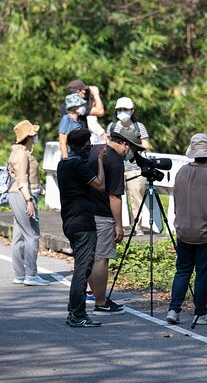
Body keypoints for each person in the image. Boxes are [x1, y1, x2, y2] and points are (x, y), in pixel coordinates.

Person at [85, 126, 146, 313]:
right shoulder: (116, 160)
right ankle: (101, 302)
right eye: (133, 149)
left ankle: (92, 295)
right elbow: (115, 196)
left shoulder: (94, 150)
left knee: (89, 256)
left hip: (85, 210)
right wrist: (119, 224)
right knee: (101, 258)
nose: (132, 153)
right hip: (102, 214)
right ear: (125, 144)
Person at [165, 133, 207, 325]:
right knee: (203, 273)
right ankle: (200, 312)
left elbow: (176, 200)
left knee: (182, 271)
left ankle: (174, 310)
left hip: (183, 229)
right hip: (206, 232)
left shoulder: (181, 172)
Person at [57, 128, 107, 327]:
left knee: (81, 267)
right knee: (82, 269)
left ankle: (74, 312)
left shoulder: (64, 163)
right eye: (89, 144)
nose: (91, 148)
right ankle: (78, 314)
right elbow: (100, 185)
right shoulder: (78, 164)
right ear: (84, 145)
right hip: (83, 222)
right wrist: (101, 162)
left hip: (69, 221)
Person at [7, 120, 49, 286]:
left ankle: (20, 274)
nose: (36, 136)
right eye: (34, 133)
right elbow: (22, 179)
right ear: (29, 136)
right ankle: (31, 275)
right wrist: (29, 200)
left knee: (19, 236)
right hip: (22, 195)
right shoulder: (22, 154)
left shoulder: (21, 151)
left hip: (19, 194)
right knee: (32, 235)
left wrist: (39, 188)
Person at [105, 97, 150, 232]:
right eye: (119, 110)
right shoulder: (112, 127)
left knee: (136, 197)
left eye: (125, 110)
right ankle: (119, 225)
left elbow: (146, 145)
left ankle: (137, 226)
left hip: (135, 168)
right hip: (115, 166)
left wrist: (132, 149)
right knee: (115, 196)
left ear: (132, 111)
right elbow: (108, 144)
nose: (122, 112)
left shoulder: (138, 126)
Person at [59, 80, 106, 144]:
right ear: (78, 91)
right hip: (77, 147)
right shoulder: (78, 107)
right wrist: (96, 94)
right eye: (83, 90)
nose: (85, 92)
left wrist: (90, 98)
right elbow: (100, 112)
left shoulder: (66, 105)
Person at [58, 93, 87, 160]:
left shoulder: (79, 121)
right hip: (70, 157)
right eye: (81, 105)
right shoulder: (66, 119)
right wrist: (66, 159)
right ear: (74, 107)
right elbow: (62, 142)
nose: (83, 107)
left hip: (79, 157)